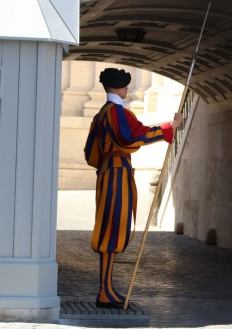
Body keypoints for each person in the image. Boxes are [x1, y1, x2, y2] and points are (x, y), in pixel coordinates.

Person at [84, 67, 184, 309]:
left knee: (110, 227)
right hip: (117, 173)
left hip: (107, 172)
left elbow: (90, 154)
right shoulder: (117, 113)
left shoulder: (99, 116)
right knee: (113, 229)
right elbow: (132, 136)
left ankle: (106, 288)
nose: (128, 88)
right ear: (117, 87)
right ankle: (105, 292)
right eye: (125, 85)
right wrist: (169, 127)